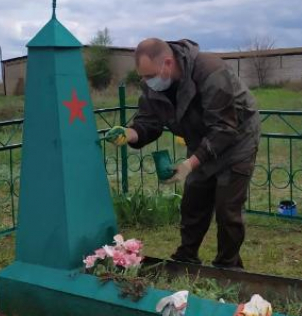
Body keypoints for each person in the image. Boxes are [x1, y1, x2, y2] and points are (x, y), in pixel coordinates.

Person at [109, 38, 260, 270]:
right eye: (143, 77)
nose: (147, 82)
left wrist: (190, 164)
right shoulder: (153, 85)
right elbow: (149, 121)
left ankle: (228, 266)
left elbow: (224, 129)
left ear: (167, 63)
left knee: (227, 209)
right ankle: (186, 257)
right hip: (201, 140)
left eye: (150, 76)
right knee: (194, 200)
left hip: (237, 140)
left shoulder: (210, 71)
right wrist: (130, 133)